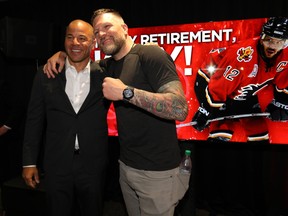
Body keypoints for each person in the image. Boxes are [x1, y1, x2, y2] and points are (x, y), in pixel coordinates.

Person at [44, 8, 189, 216]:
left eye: (107, 26)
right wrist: (61, 55)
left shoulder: (151, 54)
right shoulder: (108, 65)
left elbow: (179, 108)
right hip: (126, 167)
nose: (102, 33)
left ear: (125, 28)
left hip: (158, 172)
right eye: (97, 31)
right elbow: (80, 62)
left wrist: (126, 93)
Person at [22, 19, 111, 216]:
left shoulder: (105, 75)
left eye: (82, 38)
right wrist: (29, 162)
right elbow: (34, 120)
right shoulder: (47, 73)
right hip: (56, 163)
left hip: (93, 165)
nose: (75, 43)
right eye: (70, 37)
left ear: (93, 42)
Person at [192, 16, 288, 142]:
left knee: (259, 132)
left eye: (279, 42)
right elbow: (218, 87)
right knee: (221, 131)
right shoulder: (243, 57)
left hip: (245, 87)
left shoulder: (285, 57)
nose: (272, 46)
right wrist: (205, 110)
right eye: (268, 40)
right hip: (212, 81)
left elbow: (283, 83)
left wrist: (282, 104)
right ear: (261, 37)